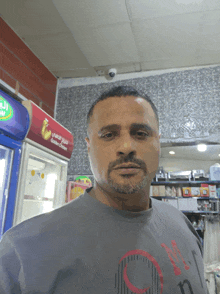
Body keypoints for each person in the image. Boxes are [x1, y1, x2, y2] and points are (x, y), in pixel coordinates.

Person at [0, 86, 209, 294]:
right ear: (88, 147)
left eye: (140, 133)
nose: (126, 146)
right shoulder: (22, 253)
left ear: (158, 143)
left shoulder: (182, 223)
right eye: (109, 135)